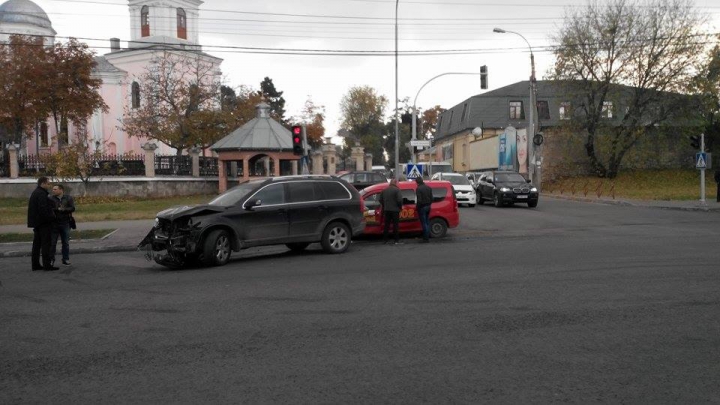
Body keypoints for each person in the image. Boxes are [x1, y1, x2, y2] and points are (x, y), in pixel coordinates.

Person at [27, 177, 57, 271]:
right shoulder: (41, 194)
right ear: (43, 183)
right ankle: (47, 265)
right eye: (48, 184)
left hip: (37, 222)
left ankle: (35, 264)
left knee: (36, 244)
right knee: (45, 244)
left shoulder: (36, 192)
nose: (49, 185)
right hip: (43, 223)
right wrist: (51, 218)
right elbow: (43, 209)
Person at [49, 184, 75, 266]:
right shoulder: (51, 198)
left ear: (61, 190)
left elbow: (72, 208)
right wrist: (57, 209)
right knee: (52, 243)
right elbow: (48, 208)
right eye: (53, 189)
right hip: (54, 223)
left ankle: (65, 259)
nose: (53, 190)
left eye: (55, 189)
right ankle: (51, 260)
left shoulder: (68, 198)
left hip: (65, 223)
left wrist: (64, 209)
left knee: (65, 242)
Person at [380, 179, 403, 244]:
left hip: (387, 210)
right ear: (395, 183)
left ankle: (385, 240)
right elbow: (399, 200)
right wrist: (400, 207)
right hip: (395, 210)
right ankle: (396, 240)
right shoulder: (397, 190)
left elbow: (380, 200)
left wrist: (385, 205)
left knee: (386, 225)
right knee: (395, 225)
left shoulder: (384, 190)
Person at [415, 177, 433, 243]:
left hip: (422, 207)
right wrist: (429, 204)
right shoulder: (428, 188)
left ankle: (426, 238)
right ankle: (427, 236)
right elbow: (432, 198)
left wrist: (417, 208)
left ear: (417, 182)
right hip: (428, 206)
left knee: (424, 223)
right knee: (427, 222)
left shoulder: (418, 189)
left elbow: (419, 200)